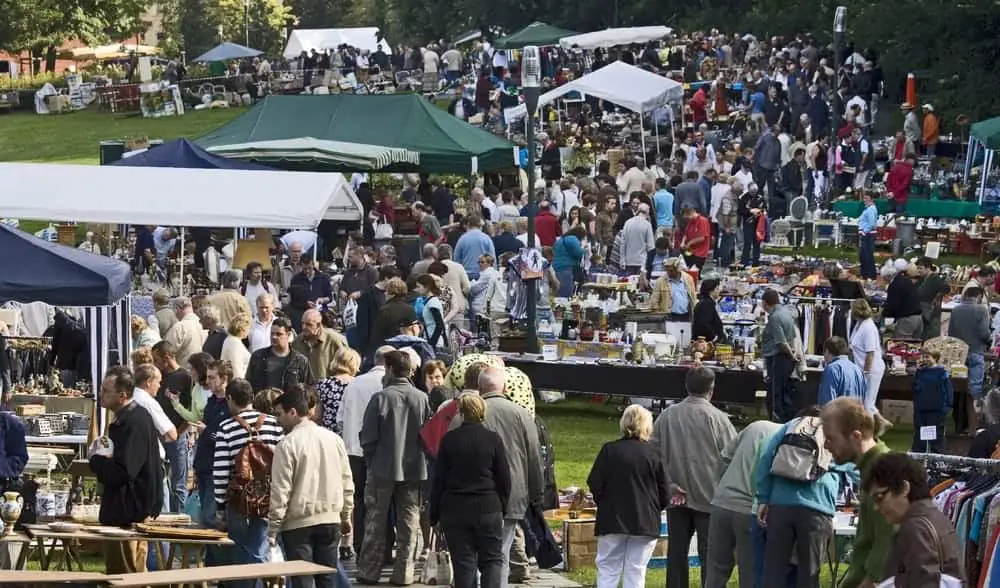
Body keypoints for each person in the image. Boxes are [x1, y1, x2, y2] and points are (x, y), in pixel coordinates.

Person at [651, 367, 737, 588]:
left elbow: (653, 454)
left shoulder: (667, 415)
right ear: (712, 389)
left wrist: (669, 484)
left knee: (677, 553)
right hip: (709, 496)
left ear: (686, 387)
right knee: (710, 555)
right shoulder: (718, 419)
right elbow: (732, 457)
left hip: (676, 494)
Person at [756, 408, 859, 588]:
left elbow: (766, 456)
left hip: (781, 505)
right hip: (817, 508)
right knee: (809, 573)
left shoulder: (791, 426)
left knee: (773, 571)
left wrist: (763, 497)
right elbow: (850, 464)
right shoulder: (834, 430)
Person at [357, 350, 431, 585]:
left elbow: (367, 437)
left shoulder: (381, 398)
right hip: (414, 468)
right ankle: (404, 572)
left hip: (382, 468)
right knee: (409, 523)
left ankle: (370, 570)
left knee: (375, 522)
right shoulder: (422, 398)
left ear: (389, 369)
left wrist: (372, 459)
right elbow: (429, 435)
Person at [270, 386, 354, 588]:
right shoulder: (334, 439)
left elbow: (281, 490)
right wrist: (346, 516)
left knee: (302, 582)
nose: (277, 420)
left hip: (298, 524)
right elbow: (347, 482)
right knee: (328, 580)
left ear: (293, 412)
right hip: (330, 519)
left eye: (280, 414)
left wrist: (273, 528)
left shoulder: (287, 444)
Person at [429, 393, 511, 588]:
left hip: (455, 508)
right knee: (492, 560)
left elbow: (438, 480)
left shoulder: (449, 440)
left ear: (461, 413)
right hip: (488, 506)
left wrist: (434, 515)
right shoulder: (493, 439)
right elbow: (504, 478)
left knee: (463, 562)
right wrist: (502, 506)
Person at [90, 367, 163, 573]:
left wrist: (96, 460)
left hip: (128, 510)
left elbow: (124, 470)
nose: (101, 395)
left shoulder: (133, 421)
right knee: (133, 571)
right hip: (132, 507)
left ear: (122, 396)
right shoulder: (132, 417)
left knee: (124, 573)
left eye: (106, 391)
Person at [588, 404, 669, 588]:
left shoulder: (609, 450)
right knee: (636, 570)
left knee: (608, 568)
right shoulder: (654, 453)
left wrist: (604, 503)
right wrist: (655, 508)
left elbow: (595, 483)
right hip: (644, 519)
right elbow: (665, 491)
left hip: (612, 518)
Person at [212, 379, 284, 580]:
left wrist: (220, 505)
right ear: (252, 398)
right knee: (260, 546)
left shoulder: (226, 427)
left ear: (230, 399)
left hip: (239, 499)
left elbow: (220, 470)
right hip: (269, 496)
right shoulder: (274, 423)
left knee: (241, 552)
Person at [478, 367, 543, 588]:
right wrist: (536, 491)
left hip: (475, 494)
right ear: (504, 387)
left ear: (479, 388)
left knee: (478, 553)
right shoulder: (521, 414)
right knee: (501, 553)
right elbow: (534, 455)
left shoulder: (469, 413)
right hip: (513, 494)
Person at [820, 397, 893, 588]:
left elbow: (887, 543)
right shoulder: (869, 467)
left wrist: (868, 582)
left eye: (830, 438)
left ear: (856, 436)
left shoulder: (883, 471)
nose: (826, 445)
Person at [865, 453, 965, 586]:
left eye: (879, 496)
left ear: (904, 488)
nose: (876, 507)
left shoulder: (915, 528)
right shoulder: (934, 516)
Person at [705, 419, 782, 588]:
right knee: (750, 573)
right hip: (749, 510)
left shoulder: (755, 425)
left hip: (721, 502)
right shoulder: (787, 438)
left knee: (716, 571)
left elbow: (724, 458)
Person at [949, 286, 992, 435]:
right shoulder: (982, 310)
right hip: (975, 352)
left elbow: (951, 333)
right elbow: (983, 333)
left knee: (957, 388)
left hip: (959, 353)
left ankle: (958, 425)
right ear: (979, 296)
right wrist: (989, 339)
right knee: (975, 390)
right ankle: (974, 428)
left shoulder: (955, 310)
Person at [246, 317, 314, 393]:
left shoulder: (300, 361)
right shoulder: (258, 357)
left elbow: (309, 389)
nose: (274, 337)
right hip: (263, 403)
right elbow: (248, 386)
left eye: (279, 334)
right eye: (272, 334)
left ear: (288, 335)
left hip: (289, 404)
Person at [761, 289, 799, 423]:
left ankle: (776, 421)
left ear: (765, 303)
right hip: (786, 360)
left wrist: (791, 355)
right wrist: (793, 353)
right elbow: (792, 336)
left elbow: (781, 342)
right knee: (784, 392)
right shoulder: (786, 313)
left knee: (774, 394)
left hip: (778, 359)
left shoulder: (775, 317)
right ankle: (785, 420)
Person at [912, 350, 953, 453]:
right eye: (923, 357)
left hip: (937, 410)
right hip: (921, 409)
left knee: (936, 438)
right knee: (919, 437)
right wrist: (917, 372)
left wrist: (947, 406)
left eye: (927, 357)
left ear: (935, 358)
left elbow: (948, 390)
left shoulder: (942, 372)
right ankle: (918, 457)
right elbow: (915, 388)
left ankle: (937, 459)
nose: (924, 359)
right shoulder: (920, 372)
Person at [850, 298, 885, 416]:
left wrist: (865, 373)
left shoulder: (868, 328)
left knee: (868, 404)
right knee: (865, 403)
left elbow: (870, 354)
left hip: (871, 370)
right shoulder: (859, 324)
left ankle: (874, 430)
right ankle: (880, 425)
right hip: (862, 369)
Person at [817, 336, 867, 406]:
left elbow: (827, 403)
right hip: (855, 414)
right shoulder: (857, 370)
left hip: (838, 415)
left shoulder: (832, 369)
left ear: (827, 351)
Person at [883, 263, 923, 340]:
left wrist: (883, 313)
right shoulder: (906, 280)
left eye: (884, 278)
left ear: (888, 276)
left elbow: (893, 306)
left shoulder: (894, 285)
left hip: (907, 320)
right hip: (918, 319)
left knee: (903, 346)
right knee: (915, 346)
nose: (884, 281)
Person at [915, 257, 950, 340]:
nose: (918, 270)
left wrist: (936, 299)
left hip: (931, 314)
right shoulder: (921, 279)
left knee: (930, 339)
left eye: (920, 268)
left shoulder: (935, 279)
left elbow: (946, 288)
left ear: (928, 268)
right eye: (917, 268)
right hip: (922, 314)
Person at [552, 226, 587, 297]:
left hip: (556, 268)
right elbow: (579, 253)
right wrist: (583, 248)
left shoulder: (560, 240)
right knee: (566, 293)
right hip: (566, 268)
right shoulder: (572, 239)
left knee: (559, 292)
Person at [691, 278, 726, 343]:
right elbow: (704, 325)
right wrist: (714, 337)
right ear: (711, 291)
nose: (719, 291)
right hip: (705, 343)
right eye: (717, 289)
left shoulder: (707, 302)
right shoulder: (706, 304)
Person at [857, 191, 877, 280]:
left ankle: (870, 275)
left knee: (867, 255)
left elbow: (872, 223)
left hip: (868, 235)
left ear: (871, 199)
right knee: (863, 255)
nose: (864, 200)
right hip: (866, 234)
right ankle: (865, 274)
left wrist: (864, 231)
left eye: (866, 198)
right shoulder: (867, 209)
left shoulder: (871, 209)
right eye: (864, 198)